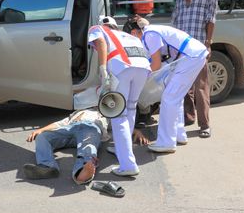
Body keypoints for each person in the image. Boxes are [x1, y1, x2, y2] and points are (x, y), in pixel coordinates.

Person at [123, 17, 208, 153]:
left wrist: (141, 78)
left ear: (133, 33)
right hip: (192, 55)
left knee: (169, 98)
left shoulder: (149, 35)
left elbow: (156, 65)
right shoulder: (150, 32)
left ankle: (166, 142)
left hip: (190, 56)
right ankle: (179, 135)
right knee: (176, 97)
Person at [87, 16, 151, 176]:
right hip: (143, 68)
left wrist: (102, 69)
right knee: (130, 109)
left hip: (122, 67)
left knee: (118, 114)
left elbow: (100, 42)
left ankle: (128, 164)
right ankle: (122, 148)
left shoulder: (97, 29)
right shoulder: (127, 35)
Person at [171, 0, 217, 138]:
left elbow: (211, 19)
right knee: (183, 86)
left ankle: (205, 125)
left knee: (201, 87)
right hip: (182, 50)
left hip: (198, 49)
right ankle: (188, 117)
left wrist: (208, 43)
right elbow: (175, 23)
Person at [23, 108, 108, 185]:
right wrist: (41, 130)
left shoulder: (105, 112)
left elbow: (118, 125)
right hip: (70, 127)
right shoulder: (76, 113)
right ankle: (47, 167)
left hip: (91, 127)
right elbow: (58, 124)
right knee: (42, 137)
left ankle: (83, 169)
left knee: (88, 145)